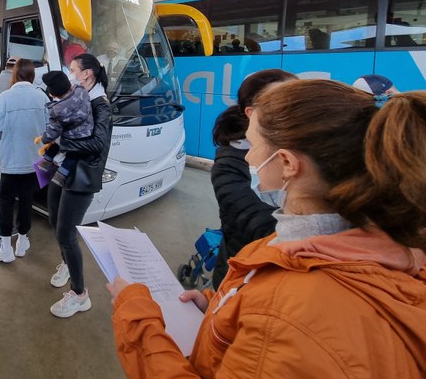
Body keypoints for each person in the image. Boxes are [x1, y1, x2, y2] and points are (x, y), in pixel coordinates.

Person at [108, 79, 426, 378]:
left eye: (254, 143)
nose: (247, 155)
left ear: (288, 163)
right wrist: (220, 308)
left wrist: (137, 317)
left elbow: (279, 326)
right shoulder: (354, 244)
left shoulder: (289, 317)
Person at [210, 68, 297, 288]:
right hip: (239, 279)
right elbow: (254, 221)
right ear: (252, 113)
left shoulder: (297, 152)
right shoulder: (231, 162)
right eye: (281, 104)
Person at [47, 53, 112, 318]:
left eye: (73, 70)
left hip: (82, 175)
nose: (70, 74)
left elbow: (98, 145)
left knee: (66, 233)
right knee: (54, 217)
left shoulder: (100, 104)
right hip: (66, 169)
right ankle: (66, 262)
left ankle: (79, 294)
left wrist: (59, 143)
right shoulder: (78, 97)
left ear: (87, 74)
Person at [0, 58, 49, 262]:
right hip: (34, 160)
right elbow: (50, 128)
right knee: (26, 201)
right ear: (33, 75)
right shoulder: (41, 97)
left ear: (15, 74)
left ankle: (6, 246)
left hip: (10, 160)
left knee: (5, 202)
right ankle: (23, 242)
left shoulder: (6, 97)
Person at [37, 70, 94, 188]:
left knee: (58, 143)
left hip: (69, 138)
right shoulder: (82, 91)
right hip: (87, 133)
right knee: (73, 155)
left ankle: (47, 162)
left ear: (53, 94)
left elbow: (53, 131)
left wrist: (44, 138)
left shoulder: (57, 110)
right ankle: (61, 175)